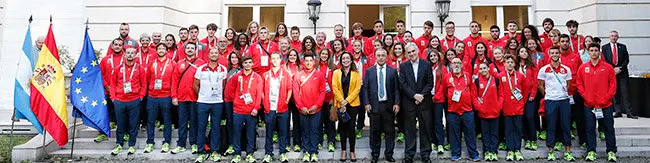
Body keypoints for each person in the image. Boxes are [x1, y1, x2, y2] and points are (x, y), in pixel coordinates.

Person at [576, 43, 618, 162]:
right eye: (592, 50)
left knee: (608, 128)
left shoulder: (608, 67)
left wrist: (607, 97)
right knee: (589, 128)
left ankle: (611, 151)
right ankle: (591, 151)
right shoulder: (583, 68)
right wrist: (585, 96)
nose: (594, 52)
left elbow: (613, 85)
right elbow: (579, 84)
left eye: (596, 50)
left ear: (599, 52)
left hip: (606, 105)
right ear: (588, 52)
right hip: (589, 105)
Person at [537, 46, 575, 161]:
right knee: (551, 125)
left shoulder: (566, 69)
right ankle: (551, 151)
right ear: (549, 54)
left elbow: (568, 85)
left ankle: (568, 151)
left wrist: (560, 94)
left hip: (564, 100)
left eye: (556, 53)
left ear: (559, 54)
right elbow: (540, 85)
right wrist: (548, 95)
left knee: (565, 125)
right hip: (550, 101)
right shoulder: (544, 69)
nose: (554, 54)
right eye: (552, 53)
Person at [362, 49, 400, 163]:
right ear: (375, 56)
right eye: (378, 55)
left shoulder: (392, 71)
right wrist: (366, 103)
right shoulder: (369, 71)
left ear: (386, 57)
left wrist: (397, 103)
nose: (381, 57)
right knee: (375, 132)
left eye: (383, 55)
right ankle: (375, 154)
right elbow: (365, 89)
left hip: (388, 106)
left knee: (390, 131)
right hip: (374, 106)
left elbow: (397, 89)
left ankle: (389, 154)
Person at [399, 43, 434, 163]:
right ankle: (409, 155)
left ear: (418, 51)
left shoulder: (427, 64)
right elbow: (402, 84)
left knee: (425, 129)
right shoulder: (403, 66)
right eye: (409, 52)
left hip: (424, 102)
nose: (411, 54)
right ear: (406, 54)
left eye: (413, 51)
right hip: (409, 102)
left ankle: (425, 155)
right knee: (410, 130)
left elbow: (430, 83)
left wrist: (421, 95)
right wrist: (414, 95)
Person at [192, 47, 228, 163]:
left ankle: (214, 151)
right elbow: (195, 85)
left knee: (216, 127)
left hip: (217, 102)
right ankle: (201, 151)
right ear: (208, 55)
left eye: (216, 52)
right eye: (211, 53)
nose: (214, 54)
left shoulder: (223, 69)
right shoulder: (201, 68)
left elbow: (223, 85)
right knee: (201, 127)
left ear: (219, 55)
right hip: (203, 102)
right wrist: (202, 95)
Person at [109, 47, 146, 155]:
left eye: (132, 53)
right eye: (128, 53)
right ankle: (119, 144)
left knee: (133, 124)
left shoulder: (140, 68)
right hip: (119, 100)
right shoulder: (118, 68)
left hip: (134, 100)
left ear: (136, 55)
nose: (130, 55)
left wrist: (141, 96)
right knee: (120, 124)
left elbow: (143, 84)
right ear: (124, 55)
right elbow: (113, 84)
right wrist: (113, 98)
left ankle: (131, 145)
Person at [172, 42, 206, 155]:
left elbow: (204, 81)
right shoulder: (179, 63)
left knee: (194, 122)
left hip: (195, 98)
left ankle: (194, 143)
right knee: (182, 122)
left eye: (192, 48)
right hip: (182, 97)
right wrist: (174, 96)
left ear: (195, 50)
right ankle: (181, 144)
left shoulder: (201, 63)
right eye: (188, 48)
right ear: (185, 50)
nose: (190, 50)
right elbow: (174, 81)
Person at [292, 53, 326, 162]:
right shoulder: (298, 75)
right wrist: (301, 107)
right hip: (303, 110)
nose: (308, 63)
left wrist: (317, 106)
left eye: (310, 60)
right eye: (306, 60)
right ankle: (306, 152)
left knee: (315, 131)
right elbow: (296, 93)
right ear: (303, 62)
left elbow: (322, 91)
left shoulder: (319, 75)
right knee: (305, 131)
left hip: (316, 109)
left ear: (314, 62)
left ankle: (314, 152)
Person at [444, 58, 480, 162]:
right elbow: (445, 92)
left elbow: (473, 91)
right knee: (454, 133)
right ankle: (455, 154)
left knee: (470, 133)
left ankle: (473, 154)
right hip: (452, 111)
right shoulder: (447, 77)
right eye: (454, 63)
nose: (456, 65)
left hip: (467, 110)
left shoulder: (468, 76)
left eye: (458, 63)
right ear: (451, 65)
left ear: (462, 65)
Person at [143, 43, 176, 154]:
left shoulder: (172, 63)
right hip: (152, 96)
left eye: (163, 48)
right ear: (156, 51)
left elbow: (174, 81)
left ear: (167, 51)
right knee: (150, 120)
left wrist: (173, 95)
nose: (161, 50)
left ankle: (166, 142)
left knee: (167, 120)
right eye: (159, 48)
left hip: (166, 96)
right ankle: (150, 142)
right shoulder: (152, 63)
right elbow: (147, 79)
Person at [230, 56, 263, 163]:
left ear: (253, 64)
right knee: (237, 133)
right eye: (245, 62)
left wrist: (256, 108)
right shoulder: (237, 76)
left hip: (251, 110)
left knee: (250, 133)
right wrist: (235, 101)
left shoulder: (257, 77)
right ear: (242, 64)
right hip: (238, 110)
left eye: (250, 62)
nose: (248, 64)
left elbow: (259, 95)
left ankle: (249, 153)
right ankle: (236, 154)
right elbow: (230, 91)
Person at [261, 52, 293, 163]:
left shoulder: (286, 74)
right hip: (269, 108)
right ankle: (268, 153)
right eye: (273, 58)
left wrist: (286, 101)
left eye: (277, 58)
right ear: (270, 60)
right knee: (269, 132)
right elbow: (262, 91)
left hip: (282, 108)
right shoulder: (265, 75)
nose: (275, 60)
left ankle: (283, 153)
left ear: (281, 60)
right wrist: (264, 102)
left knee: (283, 132)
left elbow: (290, 89)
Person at [332, 51, 363, 162]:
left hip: (353, 105)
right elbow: (335, 88)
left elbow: (357, 89)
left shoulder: (356, 73)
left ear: (351, 60)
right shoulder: (336, 73)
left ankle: (352, 151)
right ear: (341, 61)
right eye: (343, 58)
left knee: (351, 128)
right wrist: (342, 101)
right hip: (341, 104)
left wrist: (347, 101)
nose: (345, 60)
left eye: (347, 58)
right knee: (343, 128)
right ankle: (344, 151)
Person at [601, 30, 635, 119]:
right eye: (612, 36)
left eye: (615, 36)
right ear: (609, 37)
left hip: (622, 73)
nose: (614, 37)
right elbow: (604, 60)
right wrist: (613, 69)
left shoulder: (622, 47)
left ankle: (629, 112)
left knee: (625, 93)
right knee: (615, 93)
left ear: (618, 37)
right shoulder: (605, 47)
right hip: (612, 73)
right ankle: (618, 111)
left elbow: (626, 59)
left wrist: (620, 68)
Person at [499, 55, 527, 161]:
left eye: (512, 62)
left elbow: (525, 90)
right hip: (506, 108)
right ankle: (510, 150)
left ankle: (517, 150)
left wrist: (521, 103)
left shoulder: (520, 76)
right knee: (509, 130)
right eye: (508, 62)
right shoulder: (500, 76)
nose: (510, 64)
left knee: (518, 129)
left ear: (515, 64)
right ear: (504, 64)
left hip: (518, 108)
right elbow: (499, 92)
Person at [472, 62, 501, 161]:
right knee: (485, 133)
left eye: (485, 68)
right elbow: (474, 96)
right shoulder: (476, 81)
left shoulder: (496, 80)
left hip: (495, 112)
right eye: (481, 68)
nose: (483, 70)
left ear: (489, 68)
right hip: (483, 112)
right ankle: (487, 151)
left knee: (494, 133)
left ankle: (494, 151)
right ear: (478, 70)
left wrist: (498, 107)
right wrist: (479, 108)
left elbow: (501, 95)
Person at [98, 38, 124, 143]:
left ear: (123, 47)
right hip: (107, 91)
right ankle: (103, 133)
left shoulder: (126, 59)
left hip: (121, 93)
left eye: (120, 45)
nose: (117, 46)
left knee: (121, 115)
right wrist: (107, 86)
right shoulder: (105, 59)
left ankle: (123, 134)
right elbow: (101, 74)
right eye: (116, 45)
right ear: (112, 46)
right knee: (105, 114)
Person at [516, 47, 540, 151]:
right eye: (521, 51)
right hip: (519, 96)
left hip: (530, 94)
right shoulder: (516, 66)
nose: (524, 53)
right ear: (518, 54)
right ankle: (527, 140)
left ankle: (533, 140)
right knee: (523, 118)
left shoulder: (532, 65)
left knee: (530, 117)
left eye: (525, 51)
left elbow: (536, 81)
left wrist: (533, 94)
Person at [316, 49, 337, 152]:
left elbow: (337, 84)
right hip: (318, 100)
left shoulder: (333, 68)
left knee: (331, 122)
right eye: (322, 54)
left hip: (331, 99)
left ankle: (331, 142)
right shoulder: (315, 67)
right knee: (319, 122)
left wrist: (334, 98)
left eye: (326, 54)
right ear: (319, 55)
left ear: (329, 56)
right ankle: (319, 141)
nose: (324, 56)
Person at [427, 49, 447, 154]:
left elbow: (443, 85)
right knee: (429, 121)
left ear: (438, 57)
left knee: (438, 122)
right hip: (428, 99)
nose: (433, 58)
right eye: (431, 56)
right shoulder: (427, 68)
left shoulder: (442, 68)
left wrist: (436, 97)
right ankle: (432, 141)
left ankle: (440, 143)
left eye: (435, 56)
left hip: (439, 99)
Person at [223, 51, 242, 155]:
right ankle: (231, 144)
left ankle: (238, 144)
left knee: (238, 123)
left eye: (236, 57)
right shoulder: (227, 70)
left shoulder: (243, 70)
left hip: (238, 101)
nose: (234, 59)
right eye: (232, 57)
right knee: (229, 123)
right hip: (228, 100)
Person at [284, 49, 303, 152]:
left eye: (294, 55)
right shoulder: (283, 68)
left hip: (296, 99)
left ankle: (297, 143)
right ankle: (286, 144)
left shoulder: (300, 68)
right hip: (285, 99)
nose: (292, 57)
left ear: (297, 57)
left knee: (297, 122)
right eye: (290, 55)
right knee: (285, 123)